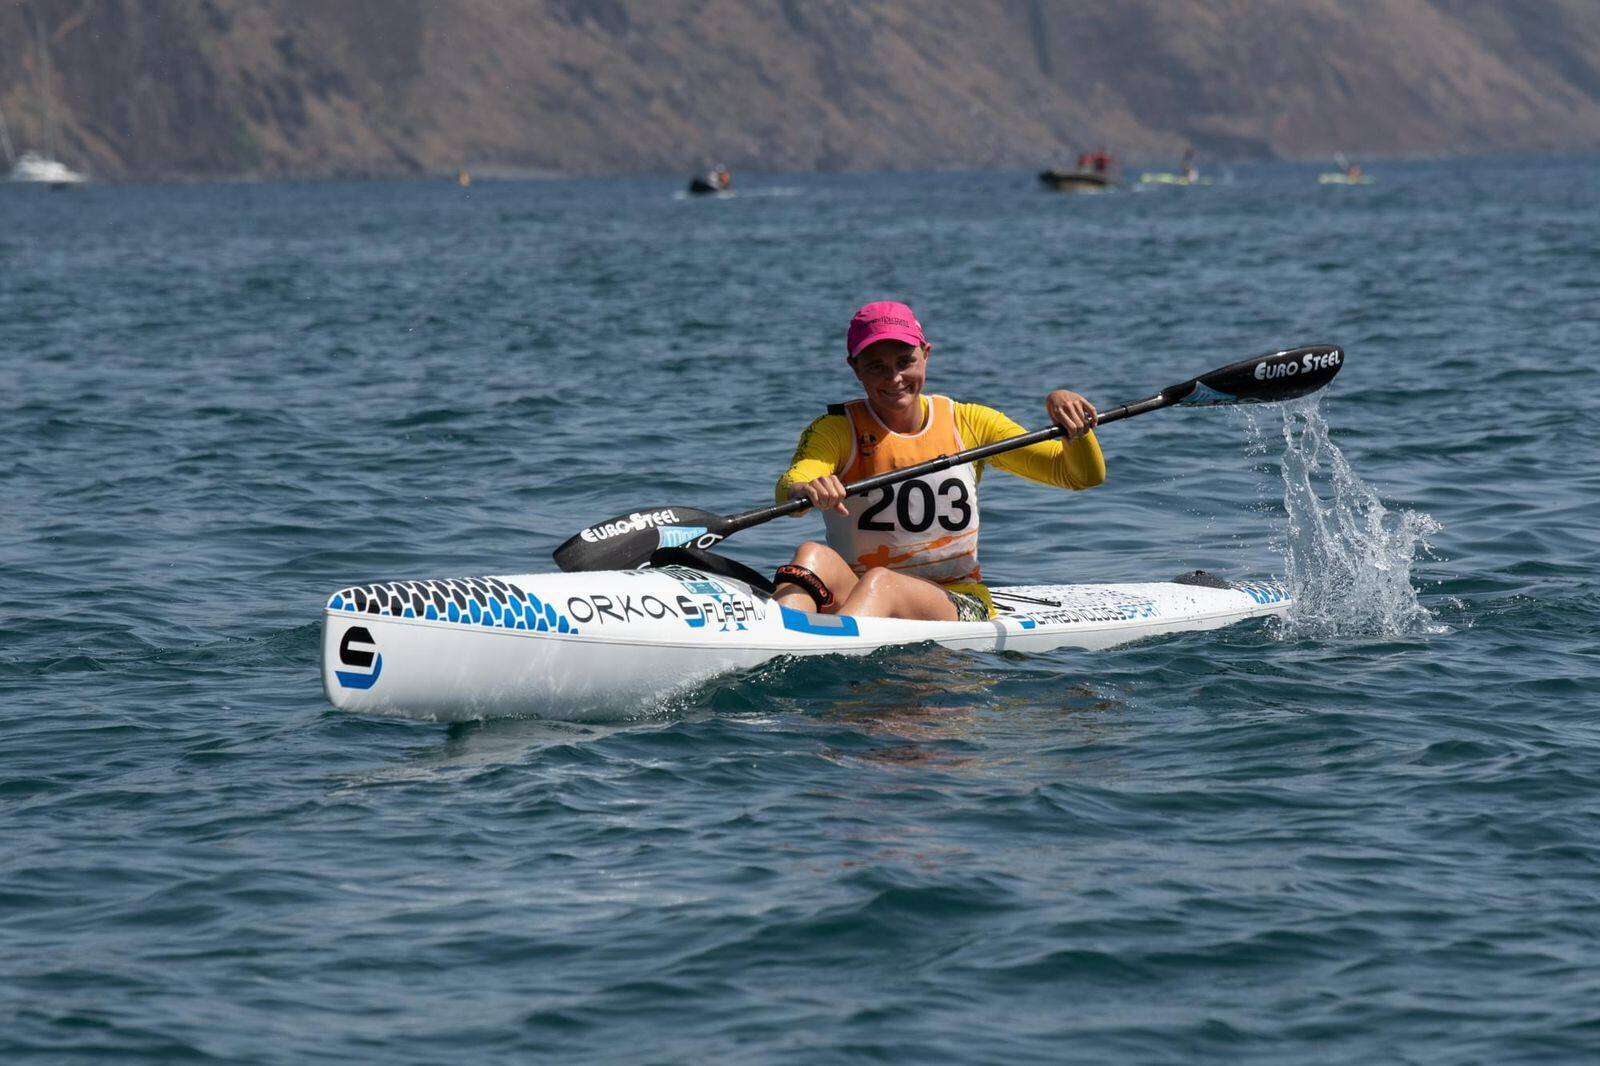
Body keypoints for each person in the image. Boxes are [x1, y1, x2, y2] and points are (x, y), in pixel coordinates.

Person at [772, 302, 1105, 622]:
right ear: (855, 368)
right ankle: (777, 640)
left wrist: (1075, 427)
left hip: (959, 600)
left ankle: (827, 652)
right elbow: (793, 486)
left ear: (926, 355)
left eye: (905, 362)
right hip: (861, 594)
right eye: (877, 367)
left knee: (881, 582)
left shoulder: (969, 423)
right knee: (810, 556)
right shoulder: (836, 429)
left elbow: (1078, 476)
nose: (894, 378)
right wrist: (806, 487)